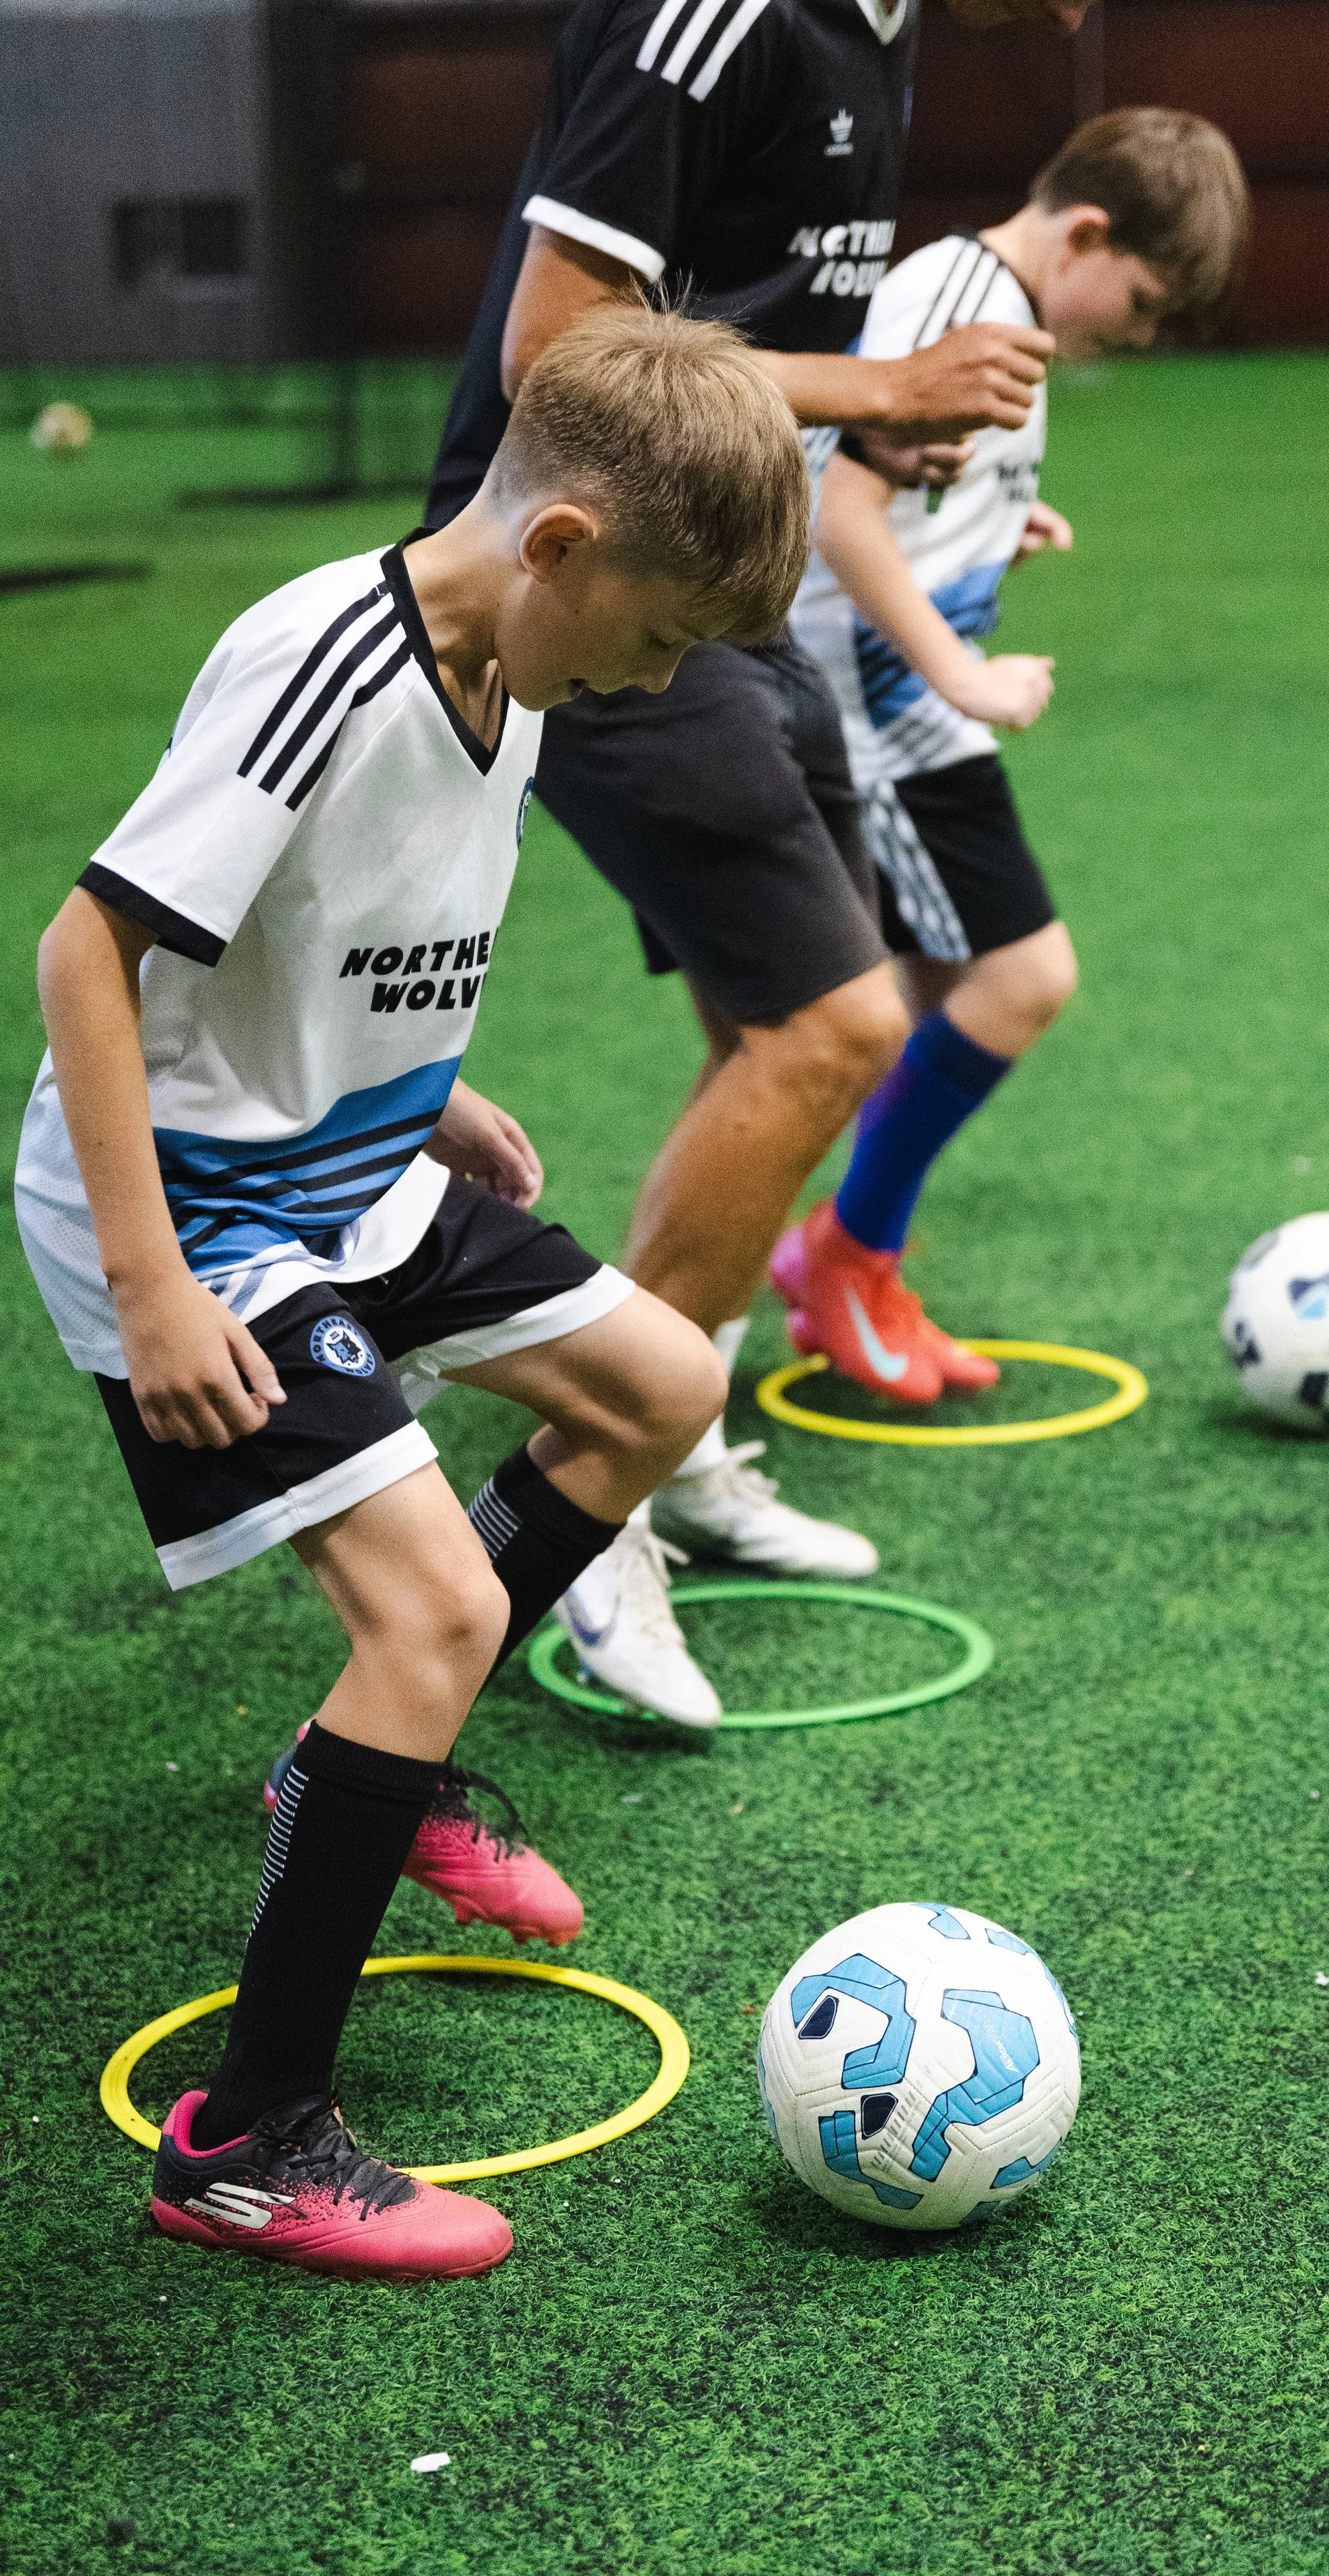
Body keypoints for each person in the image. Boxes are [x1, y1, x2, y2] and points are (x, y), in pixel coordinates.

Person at [15, 311, 810, 2280]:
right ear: (553, 545)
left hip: (355, 1163)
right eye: (655, 638)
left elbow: (322, 917)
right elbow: (90, 956)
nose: (653, 682)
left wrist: (428, 1090)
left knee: (651, 1392)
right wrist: (152, 1278)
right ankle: (247, 2133)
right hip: (199, 1208)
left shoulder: (515, 661)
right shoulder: (329, 661)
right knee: (435, 1600)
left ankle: (371, 1757)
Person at [425, 0, 1128, 1727]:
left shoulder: (876, 27)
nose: (1069, 12)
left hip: (738, 590)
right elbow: (561, 357)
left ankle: (675, 1444)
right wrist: (877, 371)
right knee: (840, 1024)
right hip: (575, 578)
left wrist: (859, 421)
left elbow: (727, 338)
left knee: (776, 1038)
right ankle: (573, 1517)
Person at [775, 110, 1247, 1396]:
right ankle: (840, 1255)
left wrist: (994, 517)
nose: (1135, 336)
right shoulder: (961, 296)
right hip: (881, 711)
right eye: (1142, 302)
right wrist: (961, 672)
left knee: (925, 1006)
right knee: (1020, 981)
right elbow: (842, 510)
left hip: (899, 703)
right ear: (1086, 232)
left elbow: (905, 482)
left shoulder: (991, 298)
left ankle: (843, 1258)